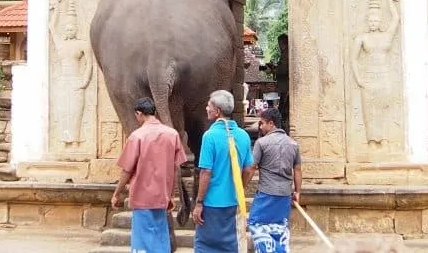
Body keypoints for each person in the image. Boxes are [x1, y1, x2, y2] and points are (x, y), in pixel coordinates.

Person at [111, 97, 187, 253]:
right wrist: (171, 194)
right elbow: (175, 168)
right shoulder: (172, 135)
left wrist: (117, 192)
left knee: (142, 242)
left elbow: (127, 170)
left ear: (139, 113)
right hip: (162, 197)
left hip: (142, 198)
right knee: (160, 238)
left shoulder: (137, 136)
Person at [193, 90, 254, 252]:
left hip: (212, 203)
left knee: (207, 246)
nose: (206, 108)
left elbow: (205, 172)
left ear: (217, 111)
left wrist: (199, 202)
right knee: (230, 245)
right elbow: (249, 169)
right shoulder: (243, 135)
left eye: (209, 106)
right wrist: (238, 187)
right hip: (233, 202)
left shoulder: (210, 136)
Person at [247, 108, 302, 253]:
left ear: (271, 123)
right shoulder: (293, 144)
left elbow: (252, 167)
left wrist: (242, 186)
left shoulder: (261, 143)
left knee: (256, 223)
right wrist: (297, 192)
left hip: (266, 193)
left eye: (262, 123)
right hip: (285, 194)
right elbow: (297, 170)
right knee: (279, 228)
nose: (260, 127)